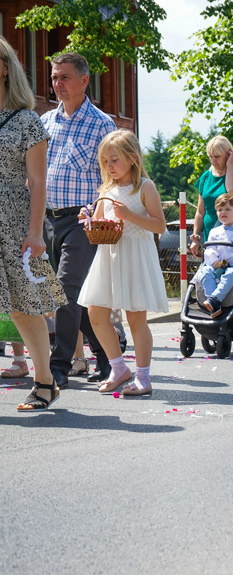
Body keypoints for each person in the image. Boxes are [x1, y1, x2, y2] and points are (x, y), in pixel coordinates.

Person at [42, 52, 117, 389]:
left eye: (64, 77)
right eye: (54, 77)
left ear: (84, 81)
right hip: (46, 221)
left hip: (83, 221)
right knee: (76, 296)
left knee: (65, 290)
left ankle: (57, 367)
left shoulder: (102, 124)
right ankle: (106, 351)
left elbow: (113, 179)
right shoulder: (44, 122)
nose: (57, 84)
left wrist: (105, 215)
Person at [0, 37, 65, 411]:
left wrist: (36, 231)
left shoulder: (26, 120)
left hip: (13, 219)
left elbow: (37, 181)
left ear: (6, 67)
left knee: (23, 306)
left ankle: (44, 381)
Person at [77, 130, 169, 396]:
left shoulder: (144, 187)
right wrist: (89, 220)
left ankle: (143, 376)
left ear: (132, 158)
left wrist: (129, 214)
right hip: (109, 255)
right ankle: (119, 368)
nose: (109, 166)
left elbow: (160, 225)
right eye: (104, 161)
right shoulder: (106, 189)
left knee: (136, 319)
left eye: (114, 160)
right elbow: (99, 221)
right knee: (95, 313)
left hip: (135, 255)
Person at [189, 135, 233, 255]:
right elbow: (200, 211)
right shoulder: (206, 177)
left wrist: (229, 166)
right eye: (210, 157)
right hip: (210, 237)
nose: (213, 161)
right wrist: (196, 238)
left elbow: (232, 190)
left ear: (229, 155)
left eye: (217, 156)